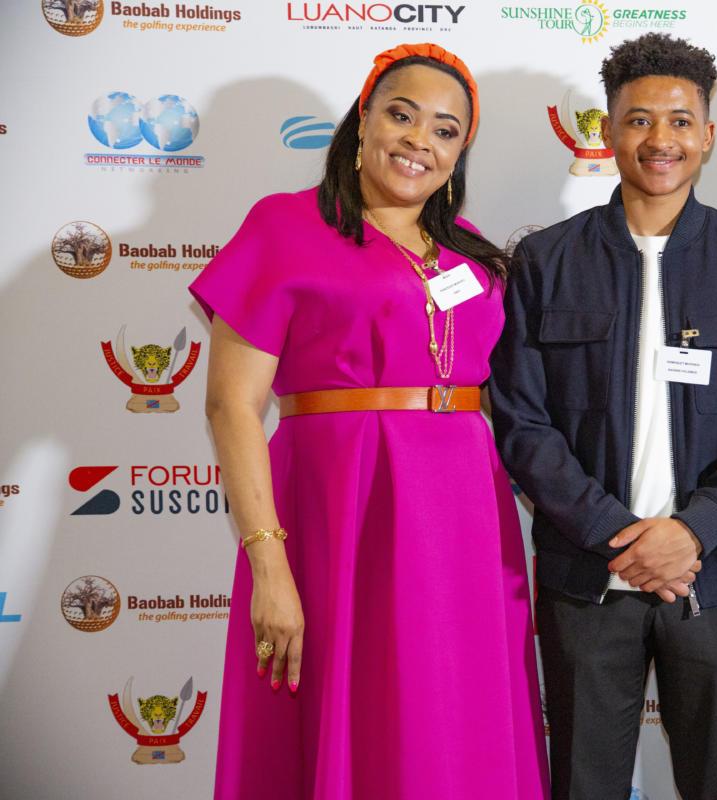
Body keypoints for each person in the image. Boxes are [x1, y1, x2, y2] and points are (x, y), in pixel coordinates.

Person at [190, 43, 549, 799]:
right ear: (363, 121)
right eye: (402, 115)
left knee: (453, 715)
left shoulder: (468, 254)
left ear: (460, 152)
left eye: (446, 130)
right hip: (342, 517)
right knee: (354, 713)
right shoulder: (286, 224)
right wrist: (269, 565)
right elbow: (231, 405)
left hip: (463, 525)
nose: (420, 140)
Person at [489, 33, 717, 800]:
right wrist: (619, 535)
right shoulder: (546, 261)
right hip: (586, 581)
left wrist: (692, 532)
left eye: (679, 120)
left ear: (708, 135)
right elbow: (521, 422)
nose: (659, 139)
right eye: (638, 120)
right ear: (608, 131)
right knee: (583, 784)